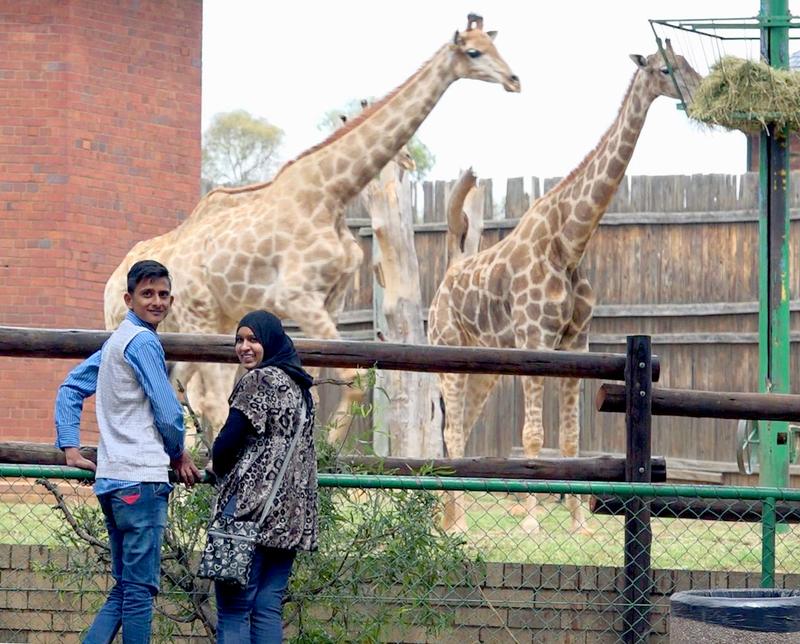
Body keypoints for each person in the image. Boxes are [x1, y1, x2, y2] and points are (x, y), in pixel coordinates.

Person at [54, 259, 201, 644]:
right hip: (140, 480)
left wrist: (70, 445)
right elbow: (168, 412)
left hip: (112, 482)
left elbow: (70, 388)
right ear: (129, 299)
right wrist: (180, 454)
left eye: (163, 294)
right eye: (147, 294)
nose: (157, 302)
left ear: (172, 299)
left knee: (124, 588)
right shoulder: (143, 342)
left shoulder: (116, 341)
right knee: (139, 592)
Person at [210, 310, 318, 643]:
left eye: (253, 339)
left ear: (269, 341)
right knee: (268, 608)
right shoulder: (301, 388)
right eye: (239, 340)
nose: (245, 347)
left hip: (246, 512)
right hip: (290, 516)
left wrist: (216, 466)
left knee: (233, 610)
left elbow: (226, 443)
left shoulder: (259, 380)